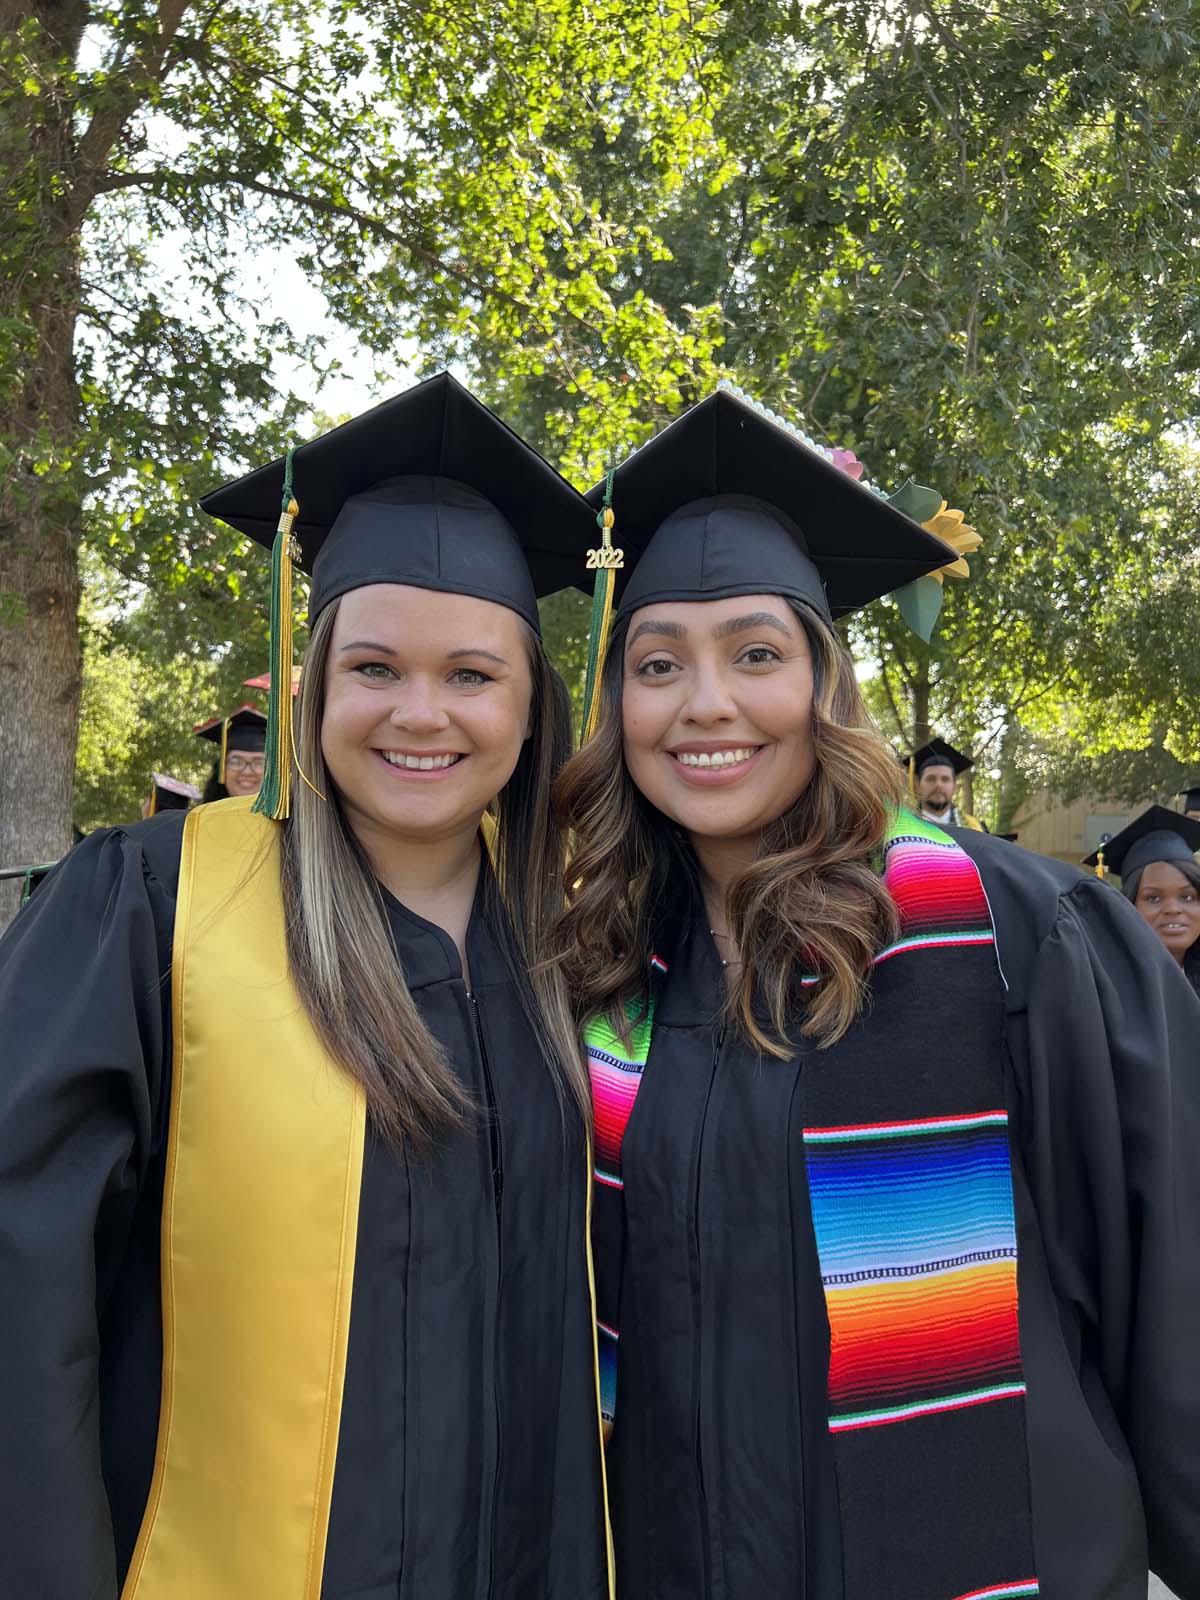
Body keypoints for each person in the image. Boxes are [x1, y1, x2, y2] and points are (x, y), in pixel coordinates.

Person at [548, 386, 1200, 1600]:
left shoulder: (1016, 934)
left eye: (756, 653)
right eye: (657, 664)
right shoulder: (604, 978)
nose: (705, 703)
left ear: (824, 683)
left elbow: (1173, 1291)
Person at [0, 373, 611, 1600]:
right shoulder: (157, 904)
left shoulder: (578, 938)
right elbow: (23, 1284)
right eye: (375, 667)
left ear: (531, 701)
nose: (421, 715)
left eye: (472, 675)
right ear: (314, 681)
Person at [1084, 805, 1200, 998]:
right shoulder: (1105, 988)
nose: (1173, 909)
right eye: (1153, 898)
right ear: (1130, 906)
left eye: (1187, 897)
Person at [903, 736, 986, 829]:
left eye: (945, 779)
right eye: (931, 779)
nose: (938, 784)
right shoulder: (901, 827)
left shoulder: (973, 827)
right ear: (918, 786)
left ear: (954, 787)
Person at [194, 703, 267, 801]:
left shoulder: (287, 811)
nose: (247, 771)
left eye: (259, 763)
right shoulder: (203, 811)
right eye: (236, 762)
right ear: (221, 769)